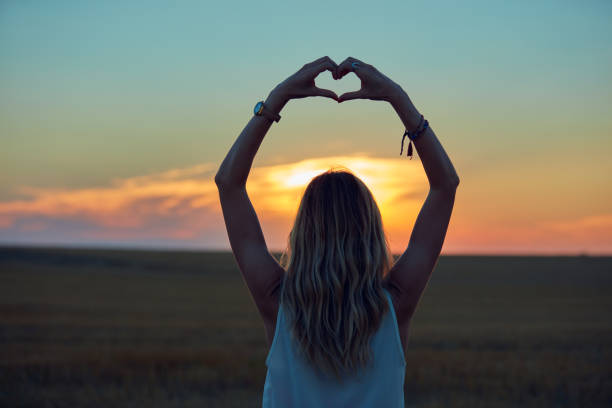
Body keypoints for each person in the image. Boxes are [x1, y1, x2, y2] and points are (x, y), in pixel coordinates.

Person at [215, 56, 460, 407]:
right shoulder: (395, 304)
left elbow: (228, 184)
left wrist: (276, 100)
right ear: (370, 230)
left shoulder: (277, 301)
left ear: (305, 232)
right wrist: (398, 99)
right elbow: (445, 186)